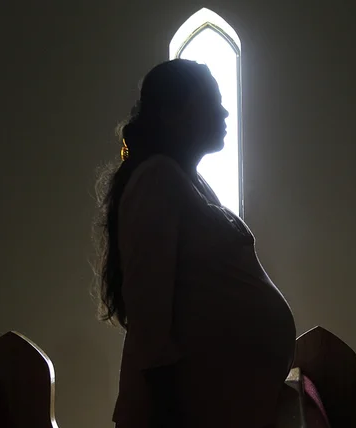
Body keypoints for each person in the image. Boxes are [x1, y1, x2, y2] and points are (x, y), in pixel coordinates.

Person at [95, 59, 297, 428]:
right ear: (173, 114)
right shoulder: (157, 179)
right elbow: (149, 309)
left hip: (223, 401)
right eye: (211, 102)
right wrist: (168, 412)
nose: (224, 112)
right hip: (184, 412)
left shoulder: (186, 180)